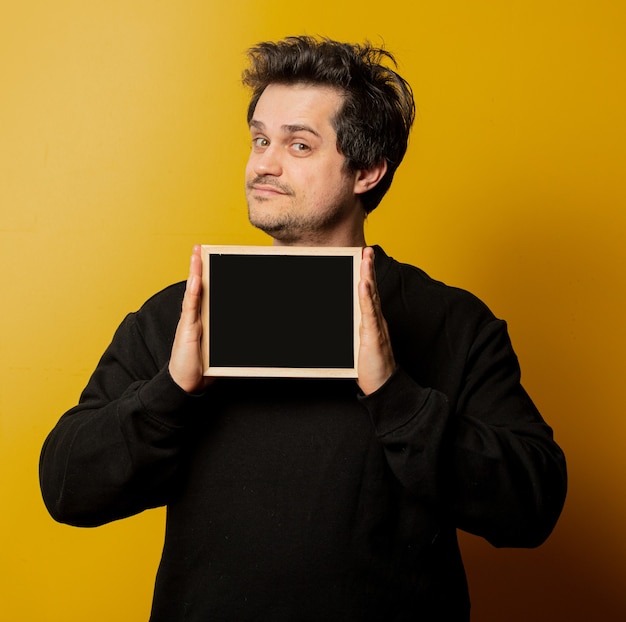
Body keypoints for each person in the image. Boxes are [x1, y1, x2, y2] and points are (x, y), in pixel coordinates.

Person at [40, 36, 567, 621]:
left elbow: (533, 508)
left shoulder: (453, 322)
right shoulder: (179, 316)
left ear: (366, 170)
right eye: (261, 140)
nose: (264, 162)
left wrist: (396, 396)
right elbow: (67, 489)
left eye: (298, 144)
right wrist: (170, 392)